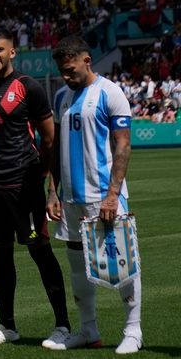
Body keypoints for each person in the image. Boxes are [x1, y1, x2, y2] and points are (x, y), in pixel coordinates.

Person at [0, 28, 70, 347]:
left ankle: (63, 326)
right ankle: (7, 325)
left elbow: (50, 139)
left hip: (23, 191)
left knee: (38, 251)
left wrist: (46, 185)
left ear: (13, 52)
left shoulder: (29, 87)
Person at [46, 35, 142, 354]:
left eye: (70, 69)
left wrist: (113, 195)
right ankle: (88, 330)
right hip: (71, 199)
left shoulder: (110, 93)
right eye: (62, 70)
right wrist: (52, 191)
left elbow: (123, 145)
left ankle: (133, 331)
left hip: (103, 197)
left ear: (87, 61)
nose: (65, 76)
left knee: (121, 263)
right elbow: (55, 148)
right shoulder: (61, 96)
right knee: (77, 267)